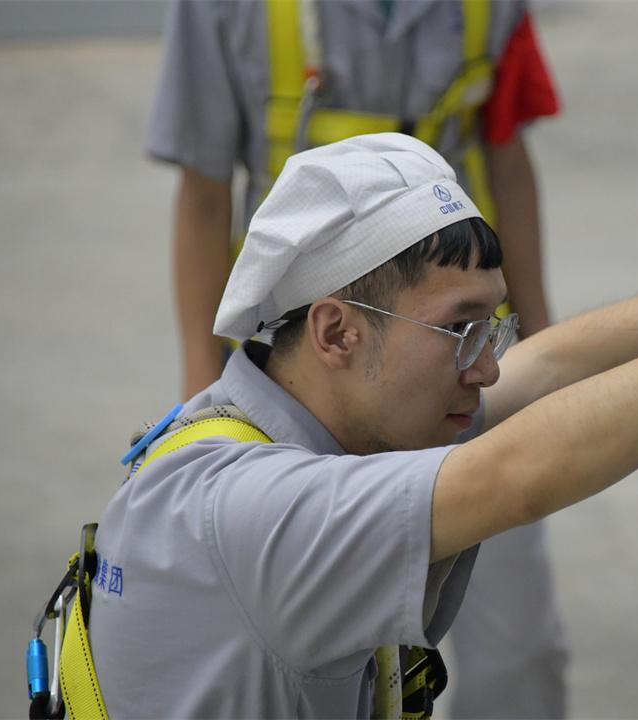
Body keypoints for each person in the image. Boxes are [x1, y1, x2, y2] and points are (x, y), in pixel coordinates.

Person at [88, 133, 638, 718]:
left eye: (489, 327)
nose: (488, 367)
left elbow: (552, 363)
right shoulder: (254, 509)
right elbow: (515, 475)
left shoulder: (300, 421)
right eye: (459, 329)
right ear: (336, 333)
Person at [146, 3, 564, 715]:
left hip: (449, 352)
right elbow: (204, 196)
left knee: (517, 653)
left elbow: (506, 157)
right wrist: (200, 399)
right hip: (313, 380)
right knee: (325, 664)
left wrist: (533, 344)